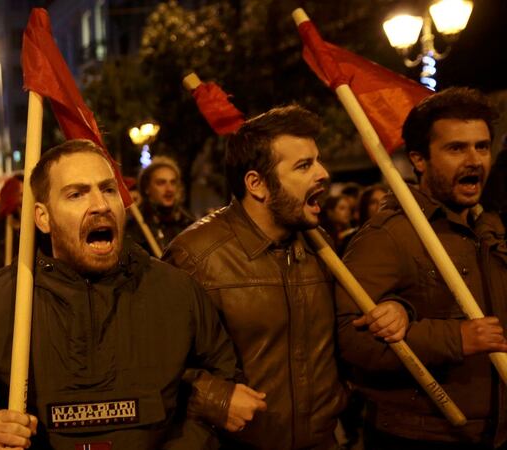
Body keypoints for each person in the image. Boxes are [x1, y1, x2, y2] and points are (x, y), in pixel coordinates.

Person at [0, 139, 254, 449]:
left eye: (108, 189)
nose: (100, 205)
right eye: (76, 194)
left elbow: (224, 380)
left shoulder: (176, 290)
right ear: (43, 217)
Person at [164, 105, 408, 449]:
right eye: (304, 165)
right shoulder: (195, 256)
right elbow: (155, 366)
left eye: (317, 160)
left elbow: (351, 326)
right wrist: (215, 399)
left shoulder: (320, 246)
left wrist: (396, 309)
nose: (323, 173)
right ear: (257, 184)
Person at [336, 87, 507, 449]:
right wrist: (456, 338)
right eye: (456, 148)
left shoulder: (490, 227)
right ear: (419, 159)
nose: (475, 160)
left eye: (481, 146)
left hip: (492, 433)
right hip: (421, 435)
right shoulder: (389, 235)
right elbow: (349, 339)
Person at [126, 156, 194, 254]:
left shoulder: (188, 221)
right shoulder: (136, 226)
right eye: (161, 183)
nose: (169, 189)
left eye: (173, 182)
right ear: (147, 188)